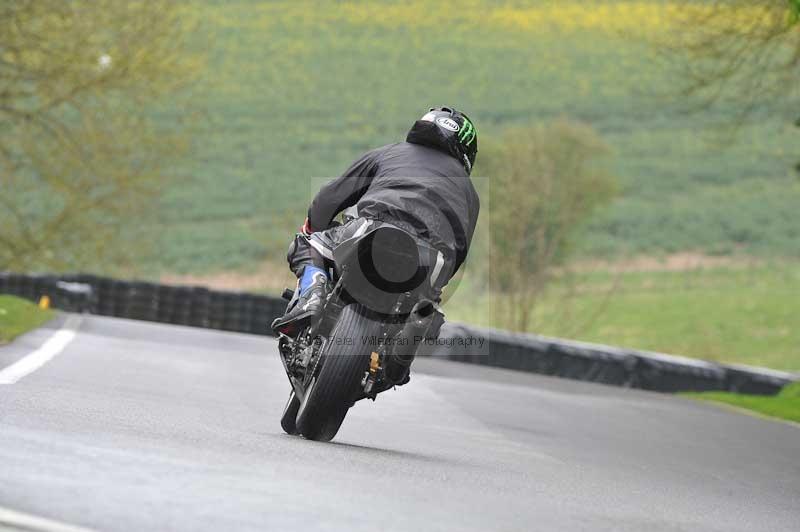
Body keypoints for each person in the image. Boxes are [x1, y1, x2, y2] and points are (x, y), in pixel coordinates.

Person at [271, 106, 480, 335]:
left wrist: (314, 231)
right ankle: (401, 354)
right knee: (425, 314)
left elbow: (329, 198)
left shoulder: (389, 153)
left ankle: (313, 293)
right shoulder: (469, 193)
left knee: (306, 245)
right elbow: (460, 250)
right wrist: (435, 288)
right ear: (466, 151)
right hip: (432, 259)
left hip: (373, 229)